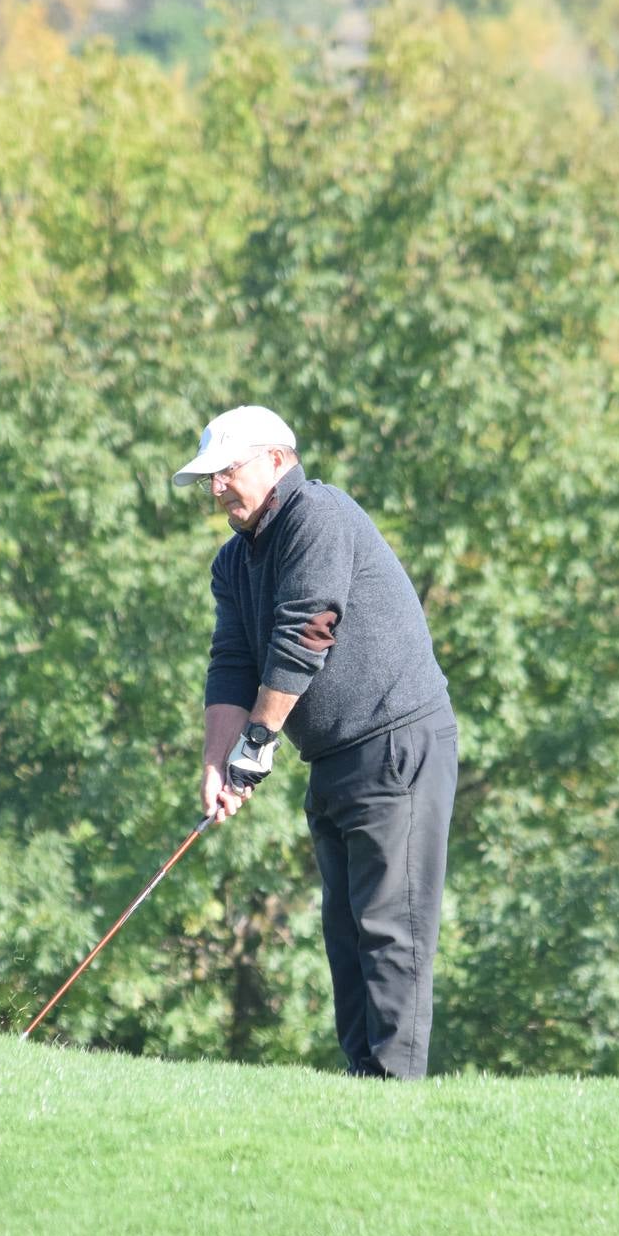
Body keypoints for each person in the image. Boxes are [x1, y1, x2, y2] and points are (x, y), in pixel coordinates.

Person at [174, 405, 458, 1079]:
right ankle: (364, 1081)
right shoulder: (234, 562)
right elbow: (231, 661)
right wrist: (217, 761)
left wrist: (257, 741)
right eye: (207, 477)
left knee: (391, 931)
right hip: (332, 758)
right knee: (347, 936)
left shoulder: (318, 518)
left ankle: (394, 1093)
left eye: (226, 472)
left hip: (396, 745)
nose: (214, 490)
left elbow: (307, 633)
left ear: (277, 459)